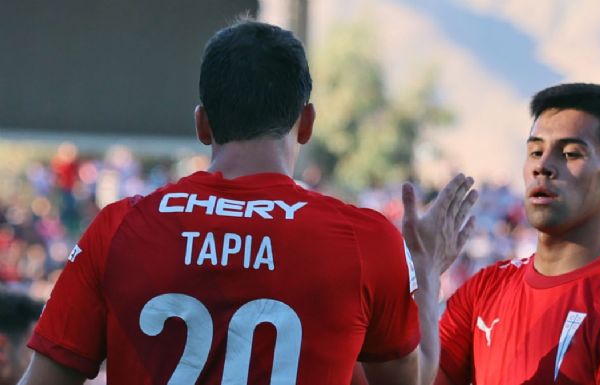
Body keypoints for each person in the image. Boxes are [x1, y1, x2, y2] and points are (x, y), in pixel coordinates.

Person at [17, 19, 477, 385]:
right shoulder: (366, 240)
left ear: (202, 125)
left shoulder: (118, 228)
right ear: (307, 123)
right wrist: (428, 269)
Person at [436, 83, 600, 384]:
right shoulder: (485, 288)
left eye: (570, 153)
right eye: (535, 151)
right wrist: (423, 279)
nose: (542, 166)